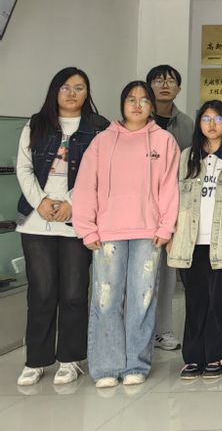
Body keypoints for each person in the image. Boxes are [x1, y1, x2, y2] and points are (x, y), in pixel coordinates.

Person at [72, 81, 180, 387]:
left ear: (151, 106)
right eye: (131, 99)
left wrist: (166, 226)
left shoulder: (164, 141)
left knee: (142, 299)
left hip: (149, 232)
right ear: (122, 104)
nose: (137, 105)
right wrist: (86, 228)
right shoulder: (102, 142)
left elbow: (170, 187)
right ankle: (106, 367)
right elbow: (85, 187)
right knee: (106, 299)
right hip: (108, 232)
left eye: (144, 100)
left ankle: (136, 364)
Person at [15, 68, 109, 387]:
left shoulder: (99, 128)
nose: (72, 93)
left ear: (87, 92)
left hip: (77, 221)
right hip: (36, 221)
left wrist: (72, 202)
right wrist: (41, 201)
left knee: (73, 293)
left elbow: (101, 173)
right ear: (55, 90)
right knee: (41, 292)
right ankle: (36, 360)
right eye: (66, 87)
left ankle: (70, 359)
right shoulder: (36, 124)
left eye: (79, 88)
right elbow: (24, 168)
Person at [168, 101, 222, 379]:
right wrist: (170, 232)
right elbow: (171, 197)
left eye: (218, 119)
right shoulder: (186, 156)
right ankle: (193, 356)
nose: (212, 124)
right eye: (206, 119)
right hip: (190, 239)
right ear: (199, 123)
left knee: (221, 298)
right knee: (195, 299)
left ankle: (216, 354)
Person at [145, 64, 193, 353]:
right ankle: (138, 332)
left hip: (172, 208)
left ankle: (162, 330)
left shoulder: (187, 125)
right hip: (137, 209)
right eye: (158, 80)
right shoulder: (135, 120)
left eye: (171, 81)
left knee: (165, 274)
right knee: (138, 276)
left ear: (179, 88)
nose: (165, 85)